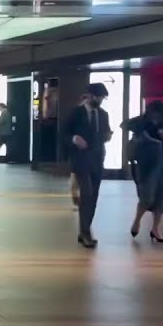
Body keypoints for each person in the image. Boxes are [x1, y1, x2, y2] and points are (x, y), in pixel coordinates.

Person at [65, 83, 112, 248]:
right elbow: (63, 134)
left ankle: (84, 230)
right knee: (86, 194)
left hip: (97, 161)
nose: (101, 101)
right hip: (81, 161)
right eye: (99, 98)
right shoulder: (76, 113)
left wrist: (107, 136)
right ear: (90, 96)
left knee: (93, 197)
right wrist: (74, 139)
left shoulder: (103, 114)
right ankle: (86, 232)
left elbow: (106, 132)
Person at [124, 100, 163, 244]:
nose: (155, 116)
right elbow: (125, 124)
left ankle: (156, 229)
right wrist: (144, 130)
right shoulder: (142, 122)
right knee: (147, 196)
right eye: (153, 112)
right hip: (147, 163)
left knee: (161, 197)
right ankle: (137, 222)